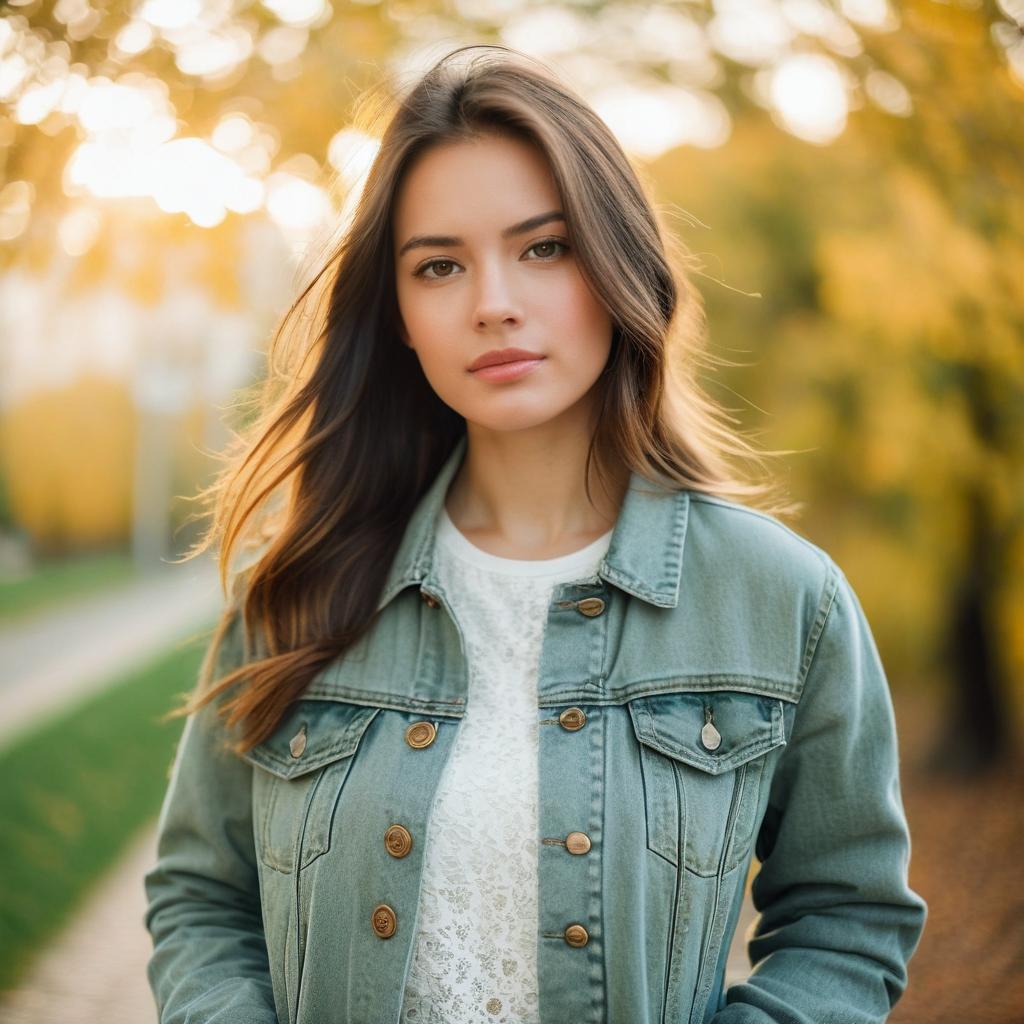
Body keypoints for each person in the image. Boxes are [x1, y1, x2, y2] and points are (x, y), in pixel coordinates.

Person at [143, 44, 927, 1024]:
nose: (494, 304)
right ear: (398, 313)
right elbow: (201, 899)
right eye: (439, 266)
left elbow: (847, 920)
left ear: (617, 263)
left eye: (544, 248)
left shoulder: (781, 600)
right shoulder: (298, 589)